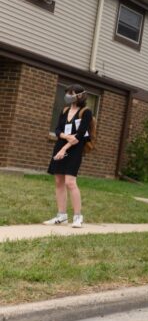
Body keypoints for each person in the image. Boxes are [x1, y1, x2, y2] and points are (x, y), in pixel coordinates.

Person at [43, 84, 93, 228]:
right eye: (67, 93)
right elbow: (58, 129)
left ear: (80, 95)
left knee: (70, 182)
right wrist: (65, 136)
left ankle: (78, 217)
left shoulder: (86, 112)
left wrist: (64, 148)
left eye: (71, 93)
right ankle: (61, 216)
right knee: (59, 181)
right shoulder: (65, 110)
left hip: (74, 149)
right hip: (61, 145)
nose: (68, 96)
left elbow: (80, 135)